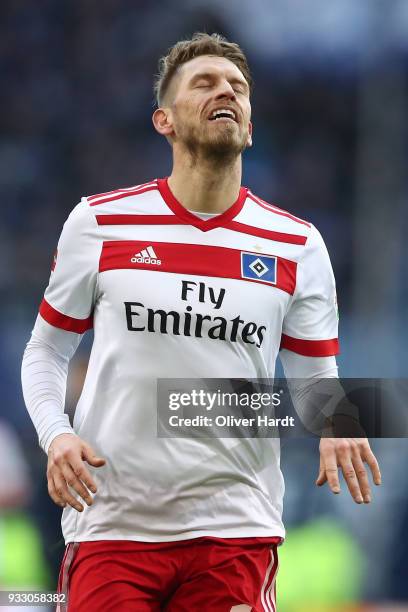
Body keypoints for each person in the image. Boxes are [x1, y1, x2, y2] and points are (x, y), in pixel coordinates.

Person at [21, 32, 381, 611]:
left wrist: (339, 422)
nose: (227, 92)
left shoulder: (298, 245)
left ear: (250, 126)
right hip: (114, 525)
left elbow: (317, 377)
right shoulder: (100, 223)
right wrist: (55, 434)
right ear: (164, 119)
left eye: (238, 87)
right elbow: (45, 351)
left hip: (234, 529)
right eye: (206, 83)